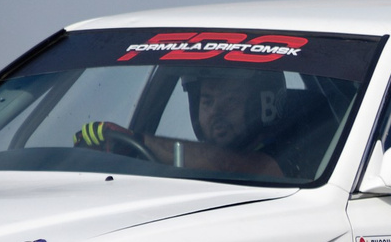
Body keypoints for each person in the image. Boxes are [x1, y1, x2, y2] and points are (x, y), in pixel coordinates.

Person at [75, 67, 288, 177]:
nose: (216, 112)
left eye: (231, 101)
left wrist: (140, 141)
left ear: (264, 103)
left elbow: (236, 166)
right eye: (207, 101)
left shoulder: (291, 151)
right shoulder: (193, 162)